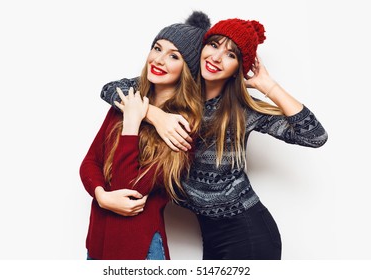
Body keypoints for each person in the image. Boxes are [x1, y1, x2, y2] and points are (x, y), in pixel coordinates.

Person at [100, 18, 328, 259]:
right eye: (214, 45)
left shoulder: (241, 112)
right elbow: (109, 89)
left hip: (248, 233)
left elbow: (314, 136)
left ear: (238, 68)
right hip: (209, 232)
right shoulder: (173, 92)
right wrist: (155, 115)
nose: (217, 57)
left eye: (231, 55)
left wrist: (268, 85)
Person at [79, 11, 211, 260]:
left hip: (140, 251)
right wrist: (101, 196)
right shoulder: (128, 101)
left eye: (173, 56)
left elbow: (129, 187)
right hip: (98, 243)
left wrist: (132, 122)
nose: (159, 60)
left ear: (187, 69)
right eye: (157, 48)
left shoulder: (183, 126)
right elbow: (89, 162)